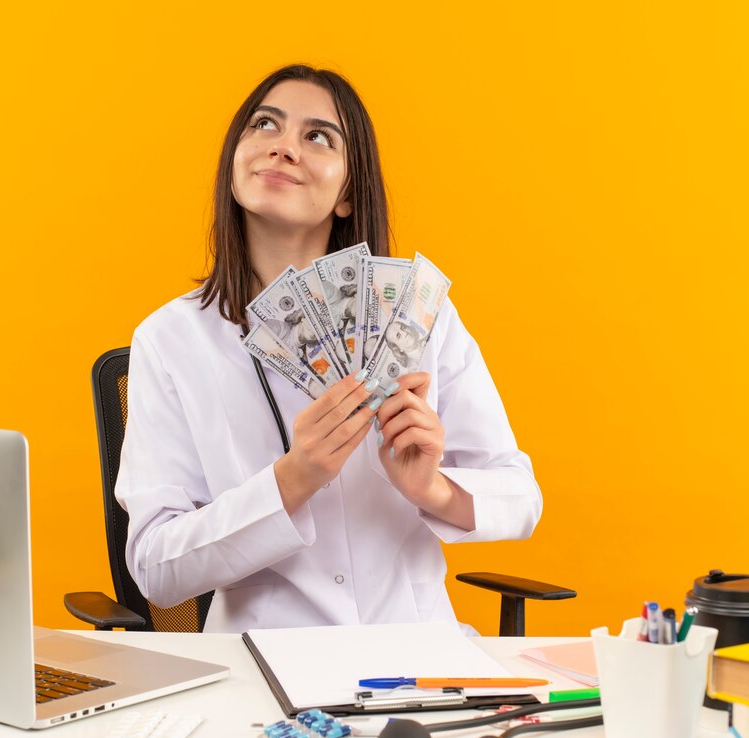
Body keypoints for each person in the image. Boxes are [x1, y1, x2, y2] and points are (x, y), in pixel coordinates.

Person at [116, 64, 542, 634]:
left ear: (347, 195)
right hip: (265, 656)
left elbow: (520, 496)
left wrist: (431, 488)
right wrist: (292, 479)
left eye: (318, 136)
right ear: (234, 164)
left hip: (414, 646)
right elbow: (155, 566)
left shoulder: (419, 316)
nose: (284, 147)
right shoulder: (171, 339)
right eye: (264, 124)